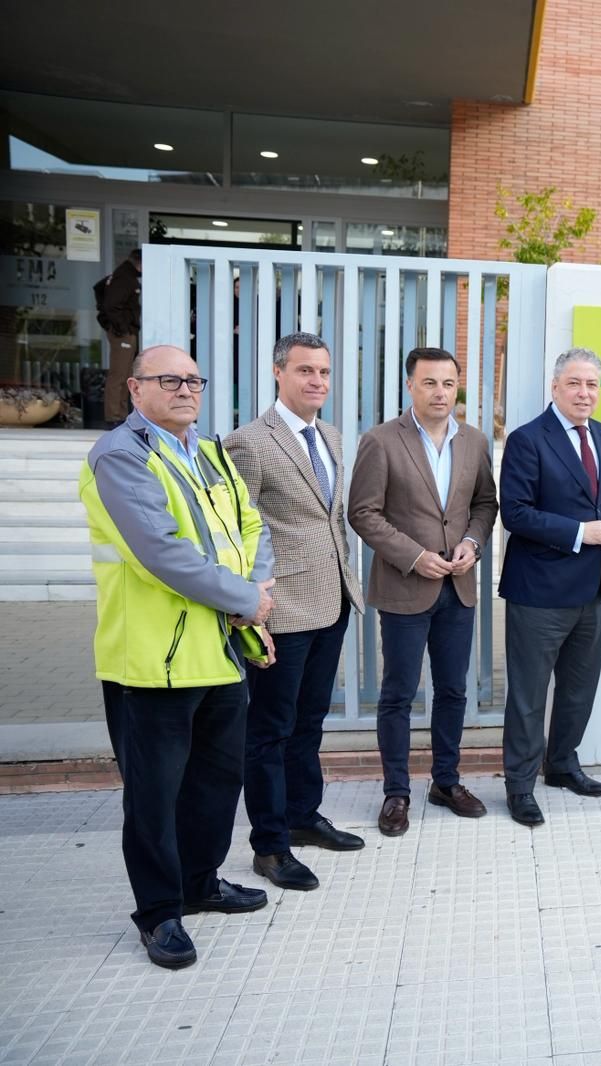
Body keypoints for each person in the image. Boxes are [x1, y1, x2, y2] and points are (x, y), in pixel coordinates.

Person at [78, 344, 277, 969]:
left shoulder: (210, 451)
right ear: (135, 390)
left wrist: (255, 591)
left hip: (218, 651)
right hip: (152, 662)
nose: (186, 389)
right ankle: (160, 913)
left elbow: (253, 525)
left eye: (194, 379)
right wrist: (245, 596)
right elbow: (161, 551)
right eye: (169, 380)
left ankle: (201, 882)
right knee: (154, 797)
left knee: (216, 784)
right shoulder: (120, 456)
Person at [224, 332, 366, 892]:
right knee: (270, 730)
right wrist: (248, 604)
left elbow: (328, 520)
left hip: (331, 602)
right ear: (278, 372)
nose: (317, 382)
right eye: (306, 370)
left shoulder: (328, 435)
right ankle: (270, 846)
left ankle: (304, 816)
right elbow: (236, 528)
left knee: (310, 723)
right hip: (279, 609)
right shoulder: (249, 442)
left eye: (325, 373)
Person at [348, 347, 498, 837]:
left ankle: (446, 782)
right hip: (405, 586)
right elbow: (364, 513)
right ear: (410, 386)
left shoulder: (474, 442)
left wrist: (473, 543)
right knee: (398, 693)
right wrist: (415, 556)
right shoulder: (381, 441)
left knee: (453, 690)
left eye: (448, 384)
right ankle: (396, 791)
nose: (440, 392)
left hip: (459, 585)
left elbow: (484, 503)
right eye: (429, 383)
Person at [498, 347, 601, 828]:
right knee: (530, 696)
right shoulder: (528, 439)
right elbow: (515, 513)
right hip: (539, 592)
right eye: (575, 383)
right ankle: (519, 785)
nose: (585, 393)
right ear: (555, 387)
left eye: (592, 384)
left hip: (591, 589)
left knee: (578, 689)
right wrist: (580, 532)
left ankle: (562, 765)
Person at [94, 249, 141, 425]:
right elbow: (112, 305)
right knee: (119, 375)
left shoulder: (122, 276)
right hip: (123, 334)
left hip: (126, 332)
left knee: (126, 374)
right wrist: (122, 328)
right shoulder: (124, 278)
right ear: (139, 262)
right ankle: (114, 416)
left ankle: (120, 415)